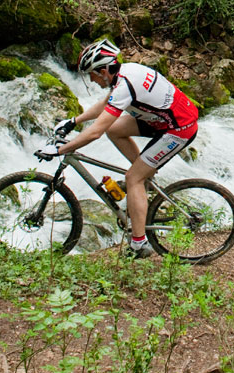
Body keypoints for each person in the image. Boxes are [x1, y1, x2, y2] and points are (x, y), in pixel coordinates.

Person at [34, 39, 198, 258]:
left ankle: (139, 245)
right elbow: (106, 104)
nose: (91, 80)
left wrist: (61, 150)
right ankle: (146, 176)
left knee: (133, 178)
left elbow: (94, 132)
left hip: (178, 128)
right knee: (116, 131)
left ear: (103, 71)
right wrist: (74, 121)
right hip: (162, 119)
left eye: (92, 74)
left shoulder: (125, 85)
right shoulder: (124, 73)